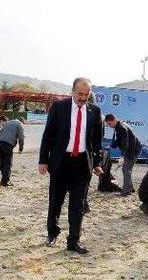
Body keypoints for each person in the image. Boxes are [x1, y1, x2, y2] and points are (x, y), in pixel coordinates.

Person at [39, 77, 103, 254]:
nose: (83, 98)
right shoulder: (60, 107)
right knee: (55, 201)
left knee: (78, 205)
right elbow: (48, 135)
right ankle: (52, 232)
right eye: (80, 94)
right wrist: (43, 160)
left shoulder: (95, 111)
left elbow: (96, 141)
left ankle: (73, 241)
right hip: (60, 163)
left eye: (86, 94)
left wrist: (96, 163)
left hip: (82, 165)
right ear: (73, 91)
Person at [104, 113, 142, 196]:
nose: (110, 126)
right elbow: (119, 140)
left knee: (126, 169)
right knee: (126, 169)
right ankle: (130, 188)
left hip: (133, 150)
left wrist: (122, 155)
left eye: (110, 124)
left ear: (114, 120)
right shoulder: (118, 126)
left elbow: (125, 142)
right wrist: (111, 146)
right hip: (132, 148)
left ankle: (126, 191)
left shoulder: (121, 127)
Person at [0, 116, 26, 186]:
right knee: (7, 163)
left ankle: (0, 178)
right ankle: (5, 182)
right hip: (7, 145)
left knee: (2, 163)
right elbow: (21, 137)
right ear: (21, 121)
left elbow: (0, 131)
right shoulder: (19, 124)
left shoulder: (7, 123)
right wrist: (21, 148)